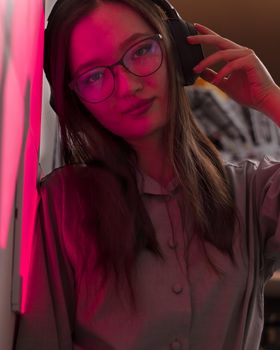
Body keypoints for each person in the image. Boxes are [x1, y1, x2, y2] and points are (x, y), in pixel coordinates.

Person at [14, 0, 280, 349]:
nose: (127, 86)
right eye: (94, 76)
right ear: (74, 99)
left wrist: (271, 99)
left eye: (141, 51)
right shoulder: (62, 204)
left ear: (177, 50)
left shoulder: (252, 193)